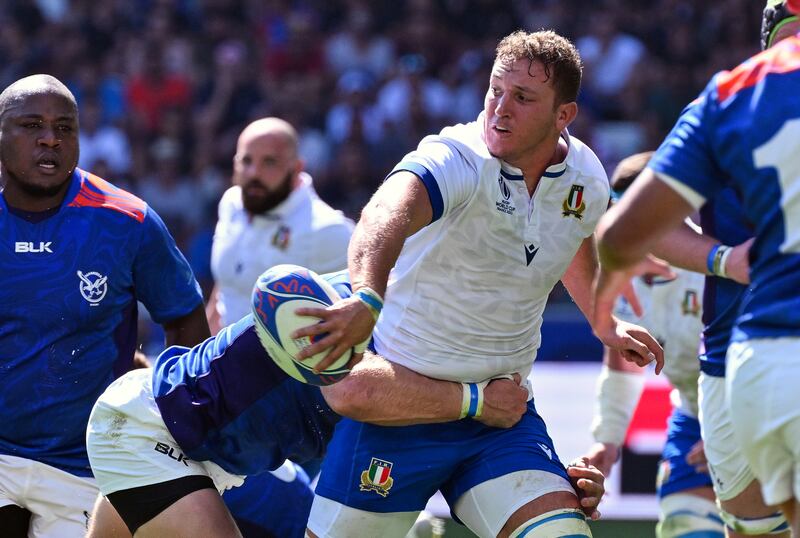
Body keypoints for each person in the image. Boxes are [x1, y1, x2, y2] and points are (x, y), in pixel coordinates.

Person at [294, 30, 663, 538]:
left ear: (564, 116)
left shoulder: (586, 176)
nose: (500, 109)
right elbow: (383, 214)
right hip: (398, 407)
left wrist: (604, 320)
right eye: (495, 90)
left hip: (502, 414)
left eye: (523, 98)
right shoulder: (458, 157)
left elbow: (570, 236)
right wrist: (366, 295)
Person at [84, 267, 606, 537]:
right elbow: (351, 388)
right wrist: (474, 401)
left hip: (207, 457)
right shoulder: (361, 303)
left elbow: (479, 435)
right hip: (149, 426)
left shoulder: (444, 357)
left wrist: (552, 481)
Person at [592, 1, 800, 533]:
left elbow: (619, 235)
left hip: (745, 366)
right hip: (720, 386)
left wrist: (611, 279)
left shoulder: (726, 97)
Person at [0, 74, 209, 537]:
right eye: (31, 125)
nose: (50, 139)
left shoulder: (127, 220)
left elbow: (185, 318)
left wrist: (174, 420)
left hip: (86, 462)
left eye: (64, 127)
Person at [584, 152, 723, 538]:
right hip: (694, 415)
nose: (629, 225)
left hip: (754, 411)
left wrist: (731, 427)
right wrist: (608, 442)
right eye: (619, 212)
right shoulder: (617, 277)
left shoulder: (718, 260)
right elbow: (623, 365)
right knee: (684, 526)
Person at [206, 117, 354, 334]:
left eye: (269, 162)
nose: (254, 173)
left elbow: (368, 307)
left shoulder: (328, 229)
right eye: (246, 161)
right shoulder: (231, 202)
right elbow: (226, 288)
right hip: (223, 352)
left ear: (297, 168)